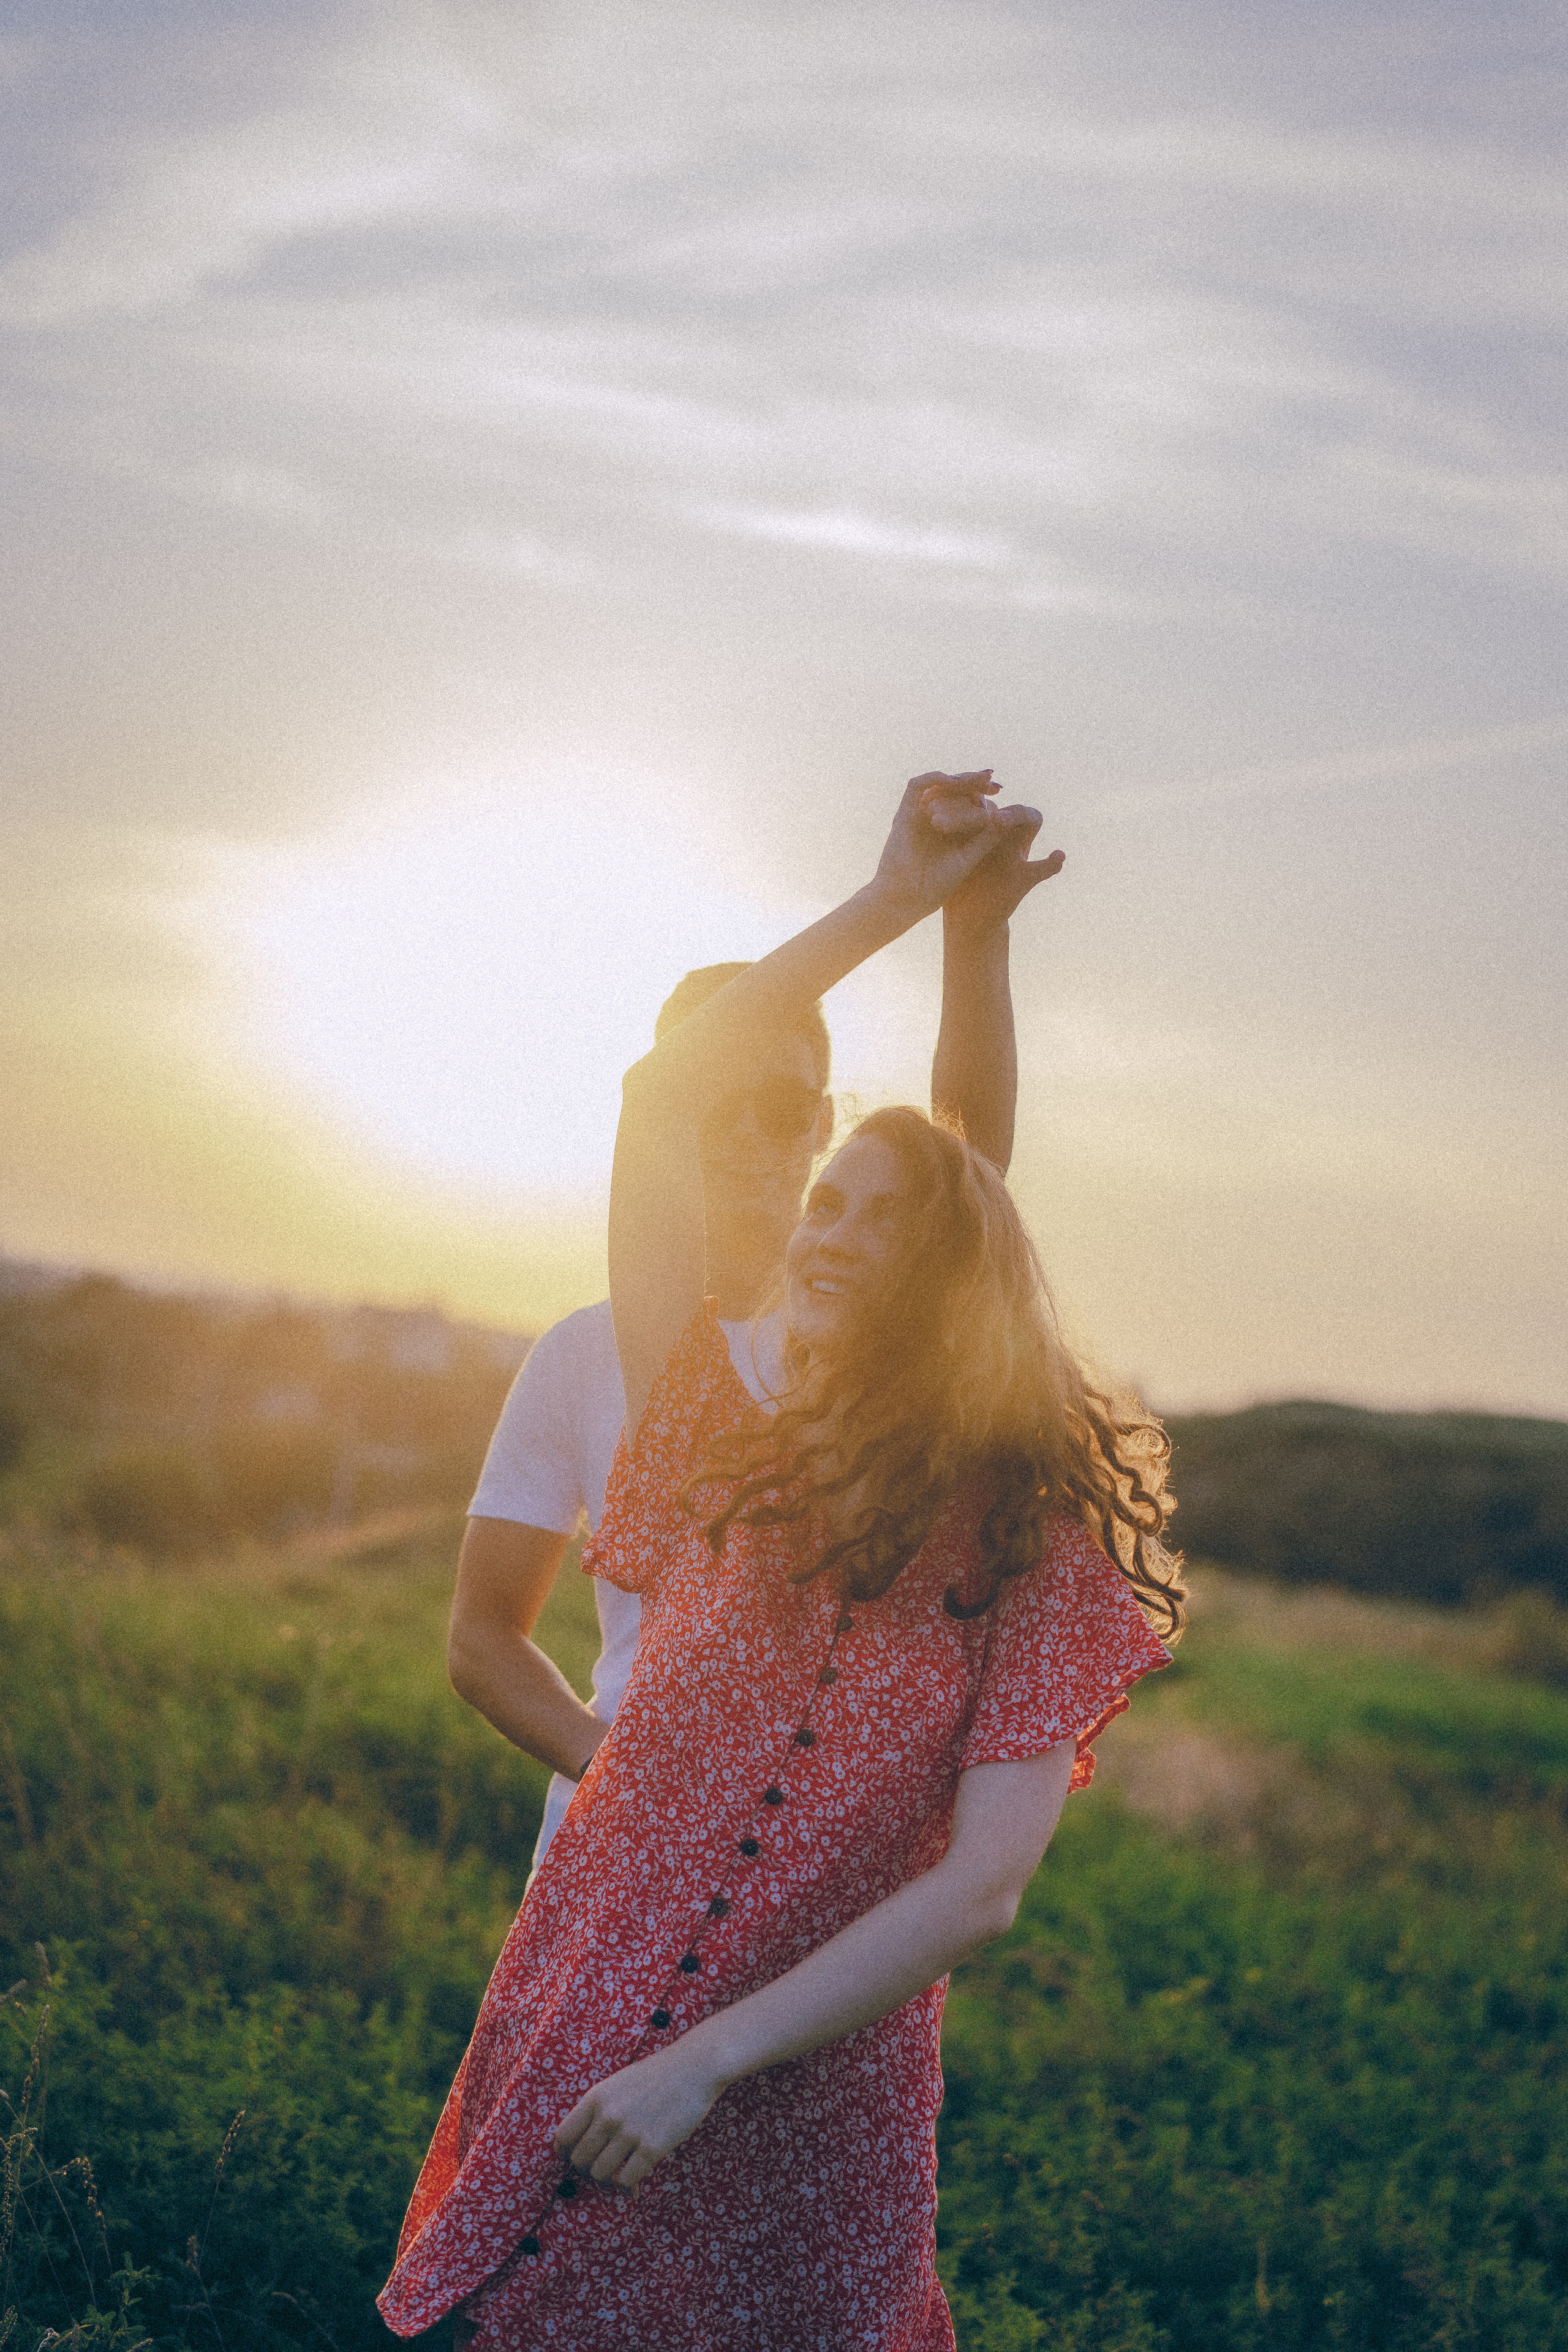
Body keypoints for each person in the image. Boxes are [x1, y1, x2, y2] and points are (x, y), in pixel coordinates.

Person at [379, 772, 1183, 2352]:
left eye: (865, 1214)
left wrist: (973, 942)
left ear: (944, 1273)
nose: (823, 1226)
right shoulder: (702, 1424)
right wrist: (890, 895)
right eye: (823, 1201)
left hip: (821, 2074)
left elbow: (984, 1886)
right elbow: (660, 1092)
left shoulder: (1029, 1532)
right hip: (601, 1964)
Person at [448, 770, 1063, 1872]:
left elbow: (969, 1174)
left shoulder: (874, 1325)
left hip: (821, 1874)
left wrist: (973, 937)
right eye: (710, 1111)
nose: (743, 1140)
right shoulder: (599, 1352)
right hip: (615, 1864)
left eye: (778, 1109)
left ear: (822, 1124)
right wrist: (624, 1779)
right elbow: (484, 1635)